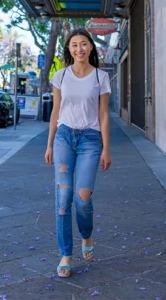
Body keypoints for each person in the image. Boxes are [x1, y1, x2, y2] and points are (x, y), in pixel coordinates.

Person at [44, 28, 112, 278]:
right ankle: (66, 254)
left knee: (83, 199)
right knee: (63, 200)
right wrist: (50, 144)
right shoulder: (60, 76)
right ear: (69, 49)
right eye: (74, 45)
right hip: (64, 138)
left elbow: (103, 115)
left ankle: (86, 234)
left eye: (84, 44)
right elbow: (55, 112)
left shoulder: (100, 77)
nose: (79, 49)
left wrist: (106, 148)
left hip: (90, 140)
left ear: (91, 47)